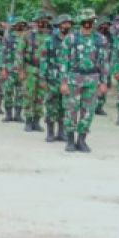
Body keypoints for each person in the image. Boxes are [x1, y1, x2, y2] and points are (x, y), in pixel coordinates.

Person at [58, 11, 110, 153]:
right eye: (85, 21)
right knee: (71, 110)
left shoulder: (101, 39)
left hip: (92, 80)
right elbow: (63, 61)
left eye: (91, 21)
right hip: (73, 79)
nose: (88, 24)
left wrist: (104, 82)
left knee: (88, 111)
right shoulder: (71, 39)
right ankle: (70, 140)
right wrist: (63, 82)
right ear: (80, 22)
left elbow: (104, 63)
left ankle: (81, 140)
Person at [16, 15, 48, 133]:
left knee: (40, 97)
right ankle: (28, 121)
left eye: (44, 21)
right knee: (28, 96)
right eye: (40, 21)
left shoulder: (49, 37)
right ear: (36, 22)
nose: (42, 23)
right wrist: (20, 70)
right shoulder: (27, 35)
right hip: (30, 69)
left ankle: (36, 122)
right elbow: (20, 53)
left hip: (44, 72)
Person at [44, 14, 72, 143]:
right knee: (51, 105)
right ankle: (50, 132)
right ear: (59, 25)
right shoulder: (50, 40)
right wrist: (43, 78)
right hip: (52, 78)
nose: (66, 25)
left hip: (67, 79)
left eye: (68, 23)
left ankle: (61, 132)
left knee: (65, 106)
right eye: (64, 23)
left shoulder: (73, 40)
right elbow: (44, 60)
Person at [1, 19, 26, 122]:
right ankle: (8, 114)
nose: (19, 26)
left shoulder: (27, 38)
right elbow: (4, 54)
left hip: (22, 70)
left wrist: (25, 70)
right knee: (8, 92)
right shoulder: (9, 38)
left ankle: (18, 115)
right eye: (18, 25)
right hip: (10, 69)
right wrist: (3, 68)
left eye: (22, 25)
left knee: (20, 93)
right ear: (14, 26)